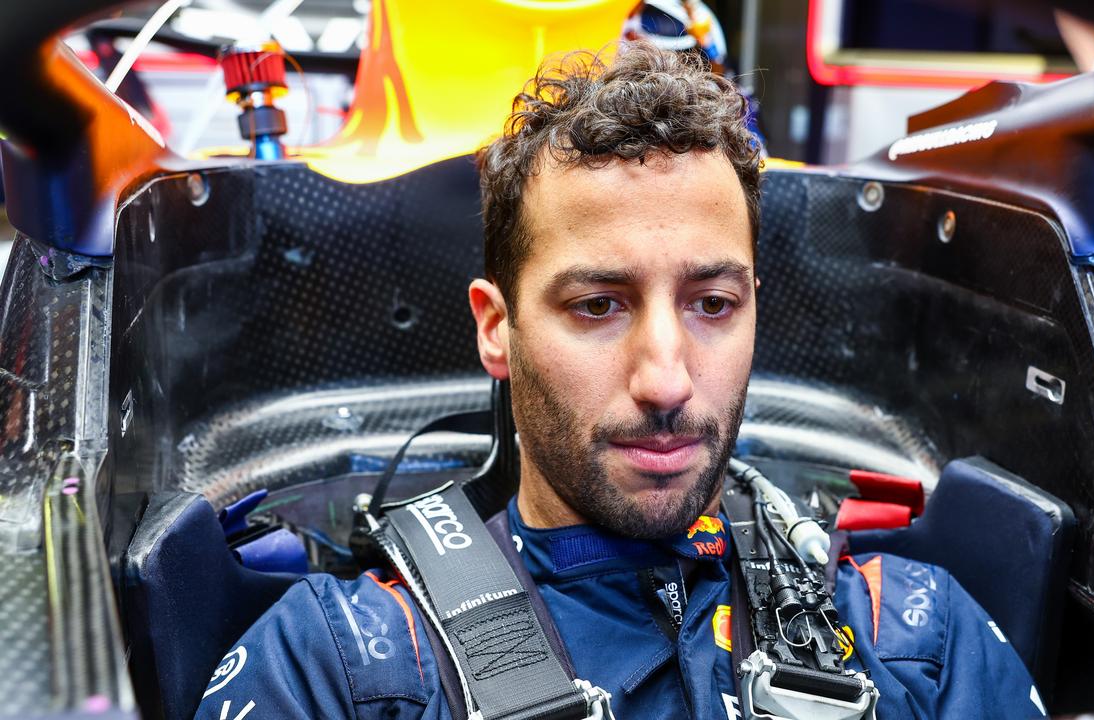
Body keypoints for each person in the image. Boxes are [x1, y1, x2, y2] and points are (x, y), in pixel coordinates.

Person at [194, 42, 1043, 720]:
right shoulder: (339, 667)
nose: (667, 379)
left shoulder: (915, 637)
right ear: (498, 327)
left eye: (712, 303)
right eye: (599, 305)